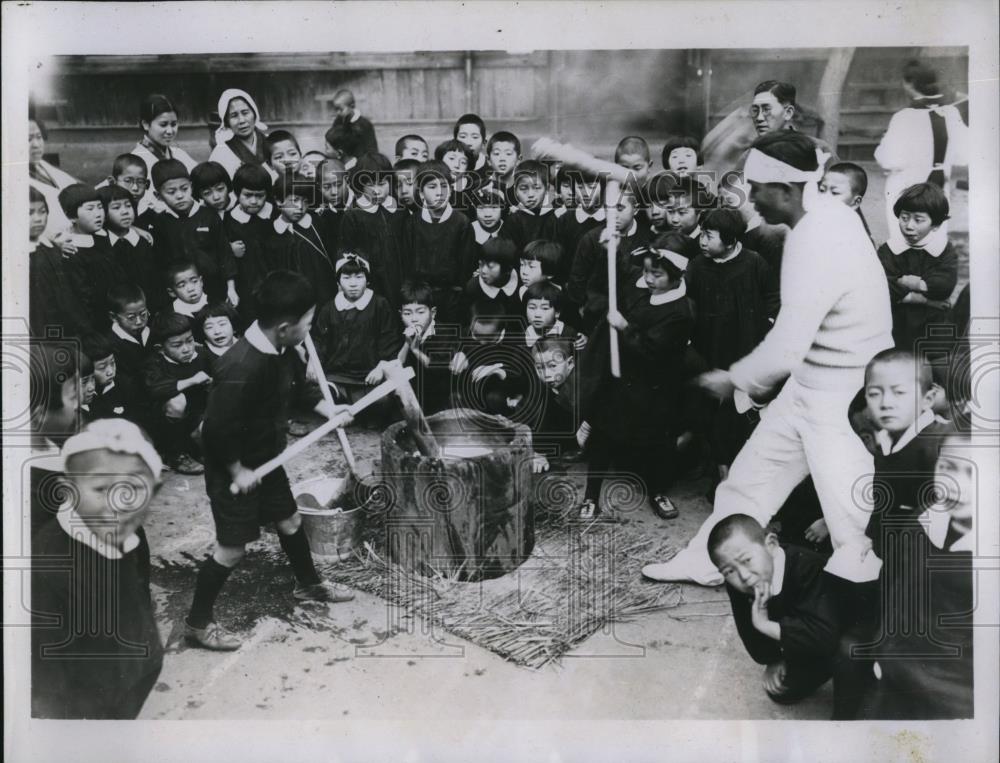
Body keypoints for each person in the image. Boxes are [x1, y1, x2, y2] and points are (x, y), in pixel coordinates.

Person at [642, 131, 893, 587]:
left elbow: (790, 343)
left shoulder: (817, 237)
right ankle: (709, 559)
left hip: (844, 393)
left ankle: (866, 599)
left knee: (848, 512)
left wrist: (733, 378)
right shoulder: (821, 217)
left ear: (788, 189)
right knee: (748, 481)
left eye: (758, 189)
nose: (751, 199)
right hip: (809, 383)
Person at [185, 270, 356, 651]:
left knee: (291, 520)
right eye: (308, 322)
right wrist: (236, 470)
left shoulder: (282, 349)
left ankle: (308, 585)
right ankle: (197, 622)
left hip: (266, 458)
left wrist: (330, 409)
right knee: (232, 549)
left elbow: (300, 388)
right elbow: (212, 432)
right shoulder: (240, 368)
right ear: (284, 327)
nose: (311, 328)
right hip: (234, 468)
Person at [31, 419, 164, 719]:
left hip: (128, 683)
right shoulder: (49, 569)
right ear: (69, 489)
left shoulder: (126, 535)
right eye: (101, 487)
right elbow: (47, 685)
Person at [860, 429, 974, 720]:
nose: (956, 484)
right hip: (898, 664)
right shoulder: (923, 521)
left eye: (973, 473)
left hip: (958, 691)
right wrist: (883, 649)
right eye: (947, 467)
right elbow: (896, 588)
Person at [577, 247, 693, 520]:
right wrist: (610, 246)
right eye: (646, 272)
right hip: (620, 380)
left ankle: (657, 492)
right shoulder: (641, 291)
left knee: (655, 443)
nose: (649, 279)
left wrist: (624, 327)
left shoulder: (680, 312)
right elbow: (617, 273)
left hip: (655, 387)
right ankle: (590, 496)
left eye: (657, 274)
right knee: (602, 437)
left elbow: (653, 350)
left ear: (675, 277)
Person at [707, 514, 841, 708]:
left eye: (746, 560)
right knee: (784, 691)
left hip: (841, 631)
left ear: (771, 544)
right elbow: (746, 625)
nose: (743, 576)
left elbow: (826, 637)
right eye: (729, 571)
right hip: (803, 633)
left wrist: (764, 624)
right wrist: (772, 659)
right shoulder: (739, 584)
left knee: (846, 659)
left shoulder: (809, 567)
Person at [874, 59, 968, 232]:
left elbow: (889, 160)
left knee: (906, 239)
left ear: (909, 84)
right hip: (940, 187)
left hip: (907, 187)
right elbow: (963, 157)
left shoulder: (904, 117)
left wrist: (883, 144)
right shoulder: (951, 113)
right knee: (934, 239)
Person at [137, 158, 238, 306]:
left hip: (215, 290)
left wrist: (231, 289)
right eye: (171, 192)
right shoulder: (159, 223)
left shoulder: (209, 215)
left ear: (191, 186)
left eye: (184, 189)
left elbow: (225, 254)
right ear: (158, 195)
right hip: (180, 297)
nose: (179, 195)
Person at [311, 253, 402, 412]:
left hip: (368, 376)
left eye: (359, 277)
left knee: (383, 401)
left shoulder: (379, 304)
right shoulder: (329, 308)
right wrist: (313, 362)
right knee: (319, 394)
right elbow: (320, 340)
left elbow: (389, 339)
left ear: (367, 280)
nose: (353, 284)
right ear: (338, 282)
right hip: (337, 374)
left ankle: (354, 405)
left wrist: (381, 367)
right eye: (346, 278)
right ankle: (340, 396)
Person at [876, 182, 958, 351]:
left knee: (936, 363)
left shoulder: (943, 249)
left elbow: (944, 285)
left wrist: (907, 282)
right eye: (904, 218)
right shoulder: (890, 249)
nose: (909, 226)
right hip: (896, 324)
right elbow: (883, 287)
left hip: (933, 325)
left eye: (918, 220)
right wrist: (923, 298)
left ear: (935, 224)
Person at [401, 160, 475, 323]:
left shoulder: (462, 223)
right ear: (421, 193)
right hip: (421, 301)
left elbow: (466, 269)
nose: (439, 192)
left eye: (444, 185)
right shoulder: (412, 223)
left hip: (453, 301)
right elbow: (407, 264)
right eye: (432, 187)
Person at [143, 311, 212, 474]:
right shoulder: (155, 363)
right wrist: (192, 380)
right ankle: (176, 454)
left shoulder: (201, 354)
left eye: (189, 340)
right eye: (177, 345)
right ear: (160, 348)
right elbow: (154, 389)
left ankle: (198, 450)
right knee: (176, 401)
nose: (187, 348)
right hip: (168, 425)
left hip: (197, 415)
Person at [577, 186, 651, 332]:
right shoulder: (592, 239)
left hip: (635, 318)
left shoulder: (647, 238)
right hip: (600, 317)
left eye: (620, 208)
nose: (613, 215)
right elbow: (578, 281)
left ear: (635, 209)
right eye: (608, 208)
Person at [340, 152, 405, 306]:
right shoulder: (353, 216)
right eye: (369, 184)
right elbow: (347, 252)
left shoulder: (400, 211)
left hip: (401, 281)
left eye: (382, 183)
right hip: (373, 286)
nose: (377, 191)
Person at [59, 184, 126, 331]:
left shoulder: (101, 236)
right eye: (90, 209)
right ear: (71, 216)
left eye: (100, 207)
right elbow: (82, 297)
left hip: (120, 312)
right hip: (98, 321)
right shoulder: (72, 250)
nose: (98, 214)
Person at [266, 169, 337, 306]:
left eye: (305, 201)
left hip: (325, 296)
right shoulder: (272, 234)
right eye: (294, 200)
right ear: (279, 201)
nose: (300, 207)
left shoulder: (317, 223)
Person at [28, 188, 90, 338]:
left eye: (42, 211)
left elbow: (66, 299)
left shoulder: (52, 250)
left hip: (58, 329)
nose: (38, 219)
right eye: (29, 213)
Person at [397, 280, 460, 416]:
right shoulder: (401, 333)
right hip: (414, 394)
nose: (414, 319)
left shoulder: (444, 333)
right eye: (407, 314)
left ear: (433, 313)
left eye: (420, 312)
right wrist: (407, 344)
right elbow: (397, 365)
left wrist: (415, 350)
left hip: (440, 394)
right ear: (400, 314)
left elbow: (438, 368)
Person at [223, 163, 275, 322]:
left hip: (274, 279)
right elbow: (224, 252)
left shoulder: (275, 214)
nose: (254, 201)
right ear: (237, 193)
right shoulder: (230, 219)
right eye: (248, 195)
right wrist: (229, 249)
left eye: (259, 195)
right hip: (246, 282)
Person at [130, 94, 198, 215]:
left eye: (173, 124)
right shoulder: (136, 160)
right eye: (163, 124)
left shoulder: (179, 154)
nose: (170, 131)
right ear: (146, 124)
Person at [99, 184, 160, 313]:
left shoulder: (143, 241)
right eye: (116, 207)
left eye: (128, 205)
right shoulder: (101, 244)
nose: (125, 211)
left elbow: (153, 280)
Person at [29, 116, 80, 236]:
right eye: (28, 139)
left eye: (39, 137)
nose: (36, 144)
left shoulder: (43, 166)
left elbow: (78, 189)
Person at [553, 169, 605, 288]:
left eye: (592, 186)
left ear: (602, 187)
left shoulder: (612, 220)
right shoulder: (564, 221)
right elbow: (559, 262)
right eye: (580, 186)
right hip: (572, 293)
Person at [209, 88, 270, 178]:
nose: (241, 120)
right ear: (227, 122)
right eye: (234, 116)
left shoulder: (271, 142)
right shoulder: (221, 153)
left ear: (254, 113)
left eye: (245, 113)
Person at [464, 237, 521, 322]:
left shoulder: (522, 283)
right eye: (481, 264)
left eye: (490, 267)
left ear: (507, 268)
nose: (483, 270)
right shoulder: (473, 288)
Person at [107, 284, 153, 387]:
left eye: (143, 314)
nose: (139, 322)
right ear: (113, 317)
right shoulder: (112, 344)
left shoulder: (152, 330)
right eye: (131, 317)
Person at [819, 161, 873, 241]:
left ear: (855, 202)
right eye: (822, 190)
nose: (824, 197)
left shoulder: (854, 235)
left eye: (835, 193)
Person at [331, 89, 379, 155]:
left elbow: (372, 151)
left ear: (352, 106)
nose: (338, 113)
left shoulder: (365, 125)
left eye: (341, 109)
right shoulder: (337, 122)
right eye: (336, 109)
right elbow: (332, 143)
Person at [486, 131, 521, 200]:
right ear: (488, 160)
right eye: (497, 153)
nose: (502, 159)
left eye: (508, 154)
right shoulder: (481, 187)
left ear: (518, 160)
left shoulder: (525, 188)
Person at [454, 112, 489, 176]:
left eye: (475, 137)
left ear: (483, 143)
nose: (468, 143)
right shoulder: (447, 168)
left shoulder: (492, 169)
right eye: (463, 136)